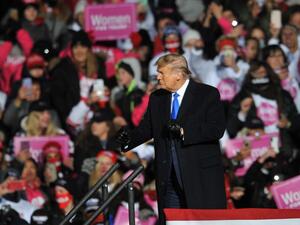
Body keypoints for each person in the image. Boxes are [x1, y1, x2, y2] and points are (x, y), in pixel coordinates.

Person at [116, 53, 227, 224]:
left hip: (199, 177)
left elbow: (216, 129)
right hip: (169, 179)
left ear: (178, 74)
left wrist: (184, 131)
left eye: (161, 73)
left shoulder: (207, 94)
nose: (158, 77)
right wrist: (128, 140)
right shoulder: (157, 98)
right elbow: (148, 129)